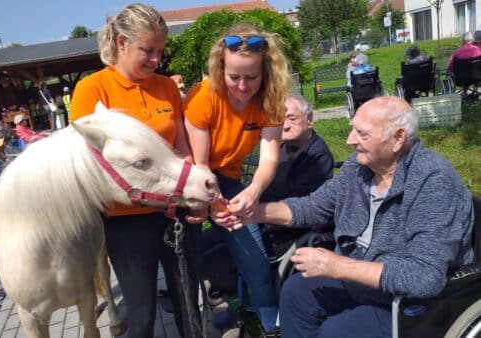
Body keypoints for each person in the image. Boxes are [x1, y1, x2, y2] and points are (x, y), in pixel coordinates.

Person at [213, 96, 474, 338]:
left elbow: (424, 276)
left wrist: (336, 266)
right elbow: (313, 206)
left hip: (406, 301)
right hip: (360, 277)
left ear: (398, 138)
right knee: (295, 291)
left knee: (335, 331)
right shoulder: (358, 168)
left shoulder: (432, 181)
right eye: (353, 129)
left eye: (362, 133)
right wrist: (252, 213)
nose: (349, 140)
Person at [69, 4, 201, 338]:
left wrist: (196, 194)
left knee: (188, 304)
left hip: (176, 211)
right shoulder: (92, 89)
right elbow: (86, 165)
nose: (156, 60)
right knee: (141, 315)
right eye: (147, 50)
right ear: (121, 43)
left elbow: (182, 148)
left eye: (159, 51)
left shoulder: (167, 87)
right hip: (127, 219)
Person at [184, 22, 290, 332]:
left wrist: (254, 190)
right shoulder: (204, 97)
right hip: (192, 176)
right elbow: (200, 164)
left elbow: (269, 156)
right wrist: (214, 205)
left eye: (251, 77)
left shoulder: (271, 99)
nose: (242, 86)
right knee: (188, 259)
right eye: (234, 77)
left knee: (255, 259)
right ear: (221, 69)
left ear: (266, 73)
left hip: (229, 181)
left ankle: (270, 321)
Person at [261, 94, 334, 203]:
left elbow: (301, 205)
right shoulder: (281, 146)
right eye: (280, 119)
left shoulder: (318, 156)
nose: (285, 126)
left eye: (292, 119)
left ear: (309, 120)